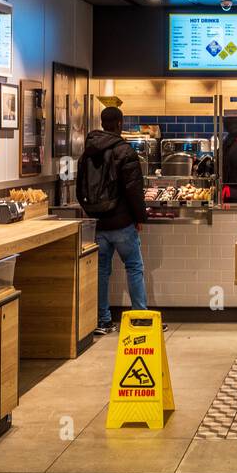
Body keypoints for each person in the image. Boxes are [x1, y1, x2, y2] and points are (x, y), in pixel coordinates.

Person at [77, 105, 149, 335]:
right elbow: (134, 189)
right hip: (122, 222)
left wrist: (92, 212)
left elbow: (80, 188)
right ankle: (139, 317)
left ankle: (103, 320)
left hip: (98, 223)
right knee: (134, 267)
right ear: (120, 123)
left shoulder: (87, 151)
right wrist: (140, 217)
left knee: (101, 271)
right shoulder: (124, 150)